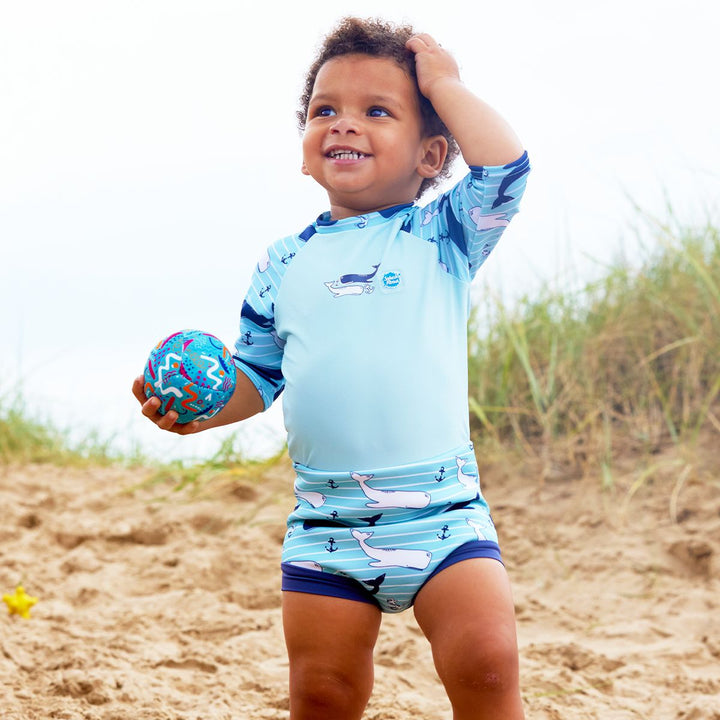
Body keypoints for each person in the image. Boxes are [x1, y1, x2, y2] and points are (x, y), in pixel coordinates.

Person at [133, 16, 530, 720]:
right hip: (326, 521)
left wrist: (444, 84)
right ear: (306, 152)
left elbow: (505, 166)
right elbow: (255, 377)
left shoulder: (442, 234)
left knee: (487, 663)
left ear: (432, 154)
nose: (345, 125)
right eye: (325, 111)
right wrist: (197, 411)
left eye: (378, 111)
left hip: (442, 513)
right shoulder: (284, 263)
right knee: (322, 691)